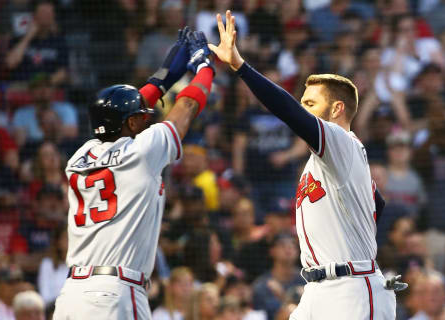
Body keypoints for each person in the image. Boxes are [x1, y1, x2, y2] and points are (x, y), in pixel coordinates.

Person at [209, 10, 397, 319]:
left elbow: (287, 111)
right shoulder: (329, 159)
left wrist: (240, 67)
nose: (303, 109)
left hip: (350, 287)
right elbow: (378, 203)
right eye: (304, 103)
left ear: (337, 108)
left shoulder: (342, 140)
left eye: (311, 104)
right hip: (317, 290)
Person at [53, 28, 216, 320]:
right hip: (114, 292)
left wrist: (165, 75)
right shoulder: (142, 152)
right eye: (140, 117)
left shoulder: (80, 155)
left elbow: (122, 111)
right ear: (129, 124)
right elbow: (188, 105)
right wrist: (205, 68)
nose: (145, 119)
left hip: (71, 296)